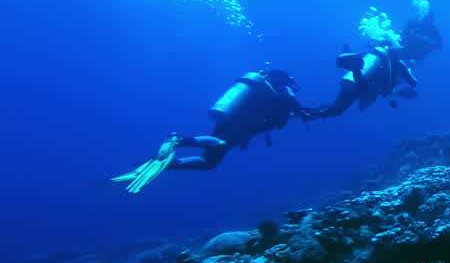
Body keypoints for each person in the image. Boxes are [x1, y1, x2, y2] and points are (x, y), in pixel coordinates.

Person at [111, 69, 310, 193]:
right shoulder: (284, 95)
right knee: (218, 147)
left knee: (209, 161)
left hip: (229, 122)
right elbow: (288, 115)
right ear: (286, 82)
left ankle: (171, 163)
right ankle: (179, 140)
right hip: (239, 127)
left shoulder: (263, 90)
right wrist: (301, 112)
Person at [314, 44, 419, 118]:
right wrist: (408, 70)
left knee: (337, 109)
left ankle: (306, 113)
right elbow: (413, 83)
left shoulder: (375, 57)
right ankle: (355, 69)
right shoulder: (399, 64)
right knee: (339, 109)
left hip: (350, 82)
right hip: (362, 86)